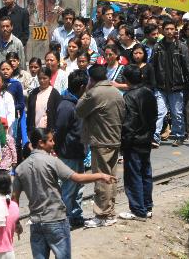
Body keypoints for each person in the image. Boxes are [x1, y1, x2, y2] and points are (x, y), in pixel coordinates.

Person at [12, 128, 116, 259]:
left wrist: (16, 223)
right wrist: (100, 175)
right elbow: (77, 177)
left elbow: (14, 199)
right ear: (41, 143)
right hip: (56, 220)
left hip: (36, 223)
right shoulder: (52, 161)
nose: (54, 143)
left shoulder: (21, 169)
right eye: (50, 140)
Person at [76, 65, 125, 228]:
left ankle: (101, 215)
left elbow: (79, 110)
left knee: (101, 179)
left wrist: (86, 91)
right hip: (114, 139)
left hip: (101, 141)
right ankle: (109, 212)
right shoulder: (116, 92)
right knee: (111, 177)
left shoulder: (94, 93)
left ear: (91, 79)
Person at [119, 66, 157, 220]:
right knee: (145, 173)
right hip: (146, 139)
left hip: (134, 142)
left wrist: (124, 143)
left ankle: (137, 210)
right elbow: (154, 116)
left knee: (133, 175)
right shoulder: (149, 93)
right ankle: (147, 206)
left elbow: (129, 123)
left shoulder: (129, 97)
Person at [149, 21, 189, 147]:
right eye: (167, 29)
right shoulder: (157, 47)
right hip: (160, 86)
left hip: (177, 86)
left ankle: (179, 136)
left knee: (177, 113)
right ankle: (155, 138)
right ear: (162, 30)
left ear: (175, 30)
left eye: (172, 29)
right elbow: (152, 66)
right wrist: (152, 83)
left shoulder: (181, 47)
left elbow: (188, 66)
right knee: (160, 112)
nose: (169, 31)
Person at [54, 70, 88, 228]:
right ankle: (64, 219)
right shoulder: (67, 106)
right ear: (82, 87)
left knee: (78, 187)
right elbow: (59, 130)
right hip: (69, 153)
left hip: (79, 152)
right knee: (68, 188)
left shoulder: (77, 102)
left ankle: (76, 215)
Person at [26, 66, 62, 143]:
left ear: (49, 78)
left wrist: (54, 131)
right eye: (40, 78)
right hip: (35, 131)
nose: (42, 81)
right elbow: (29, 113)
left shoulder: (54, 94)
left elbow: (57, 114)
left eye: (44, 78)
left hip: (48, 132)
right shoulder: (33, 93)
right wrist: (29, 130)